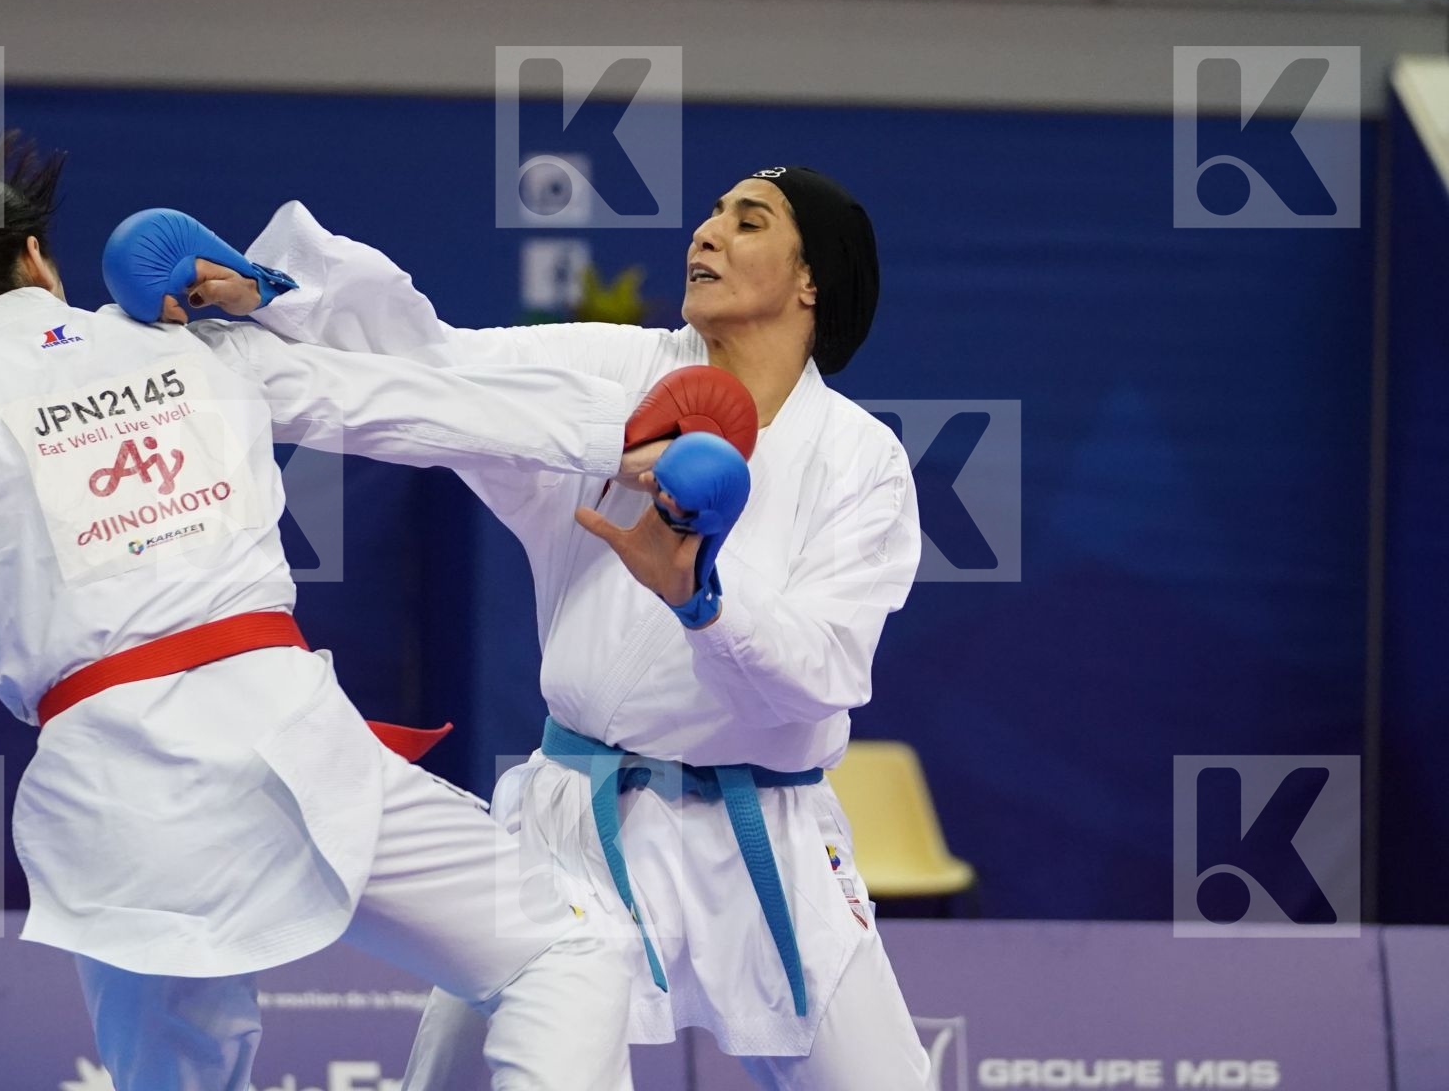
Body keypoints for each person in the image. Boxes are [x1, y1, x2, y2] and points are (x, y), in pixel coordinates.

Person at [0, 140, 646, 1091]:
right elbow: (407, 404)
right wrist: (628, 435)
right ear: (36, 259)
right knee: (564, 952)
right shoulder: (188, 344)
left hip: (117, 810)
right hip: (289, 752)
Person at [184, 166, 931, 1090]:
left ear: (812, 278)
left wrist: (704, 603)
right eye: (709, 215)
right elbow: (438, 373)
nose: (706, 233)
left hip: (767, 840)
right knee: (451, 1083)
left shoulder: (860, 460)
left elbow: (825, 673)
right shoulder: (616, 373)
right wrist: (280, 298)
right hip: (578, 819)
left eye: (748, 222)